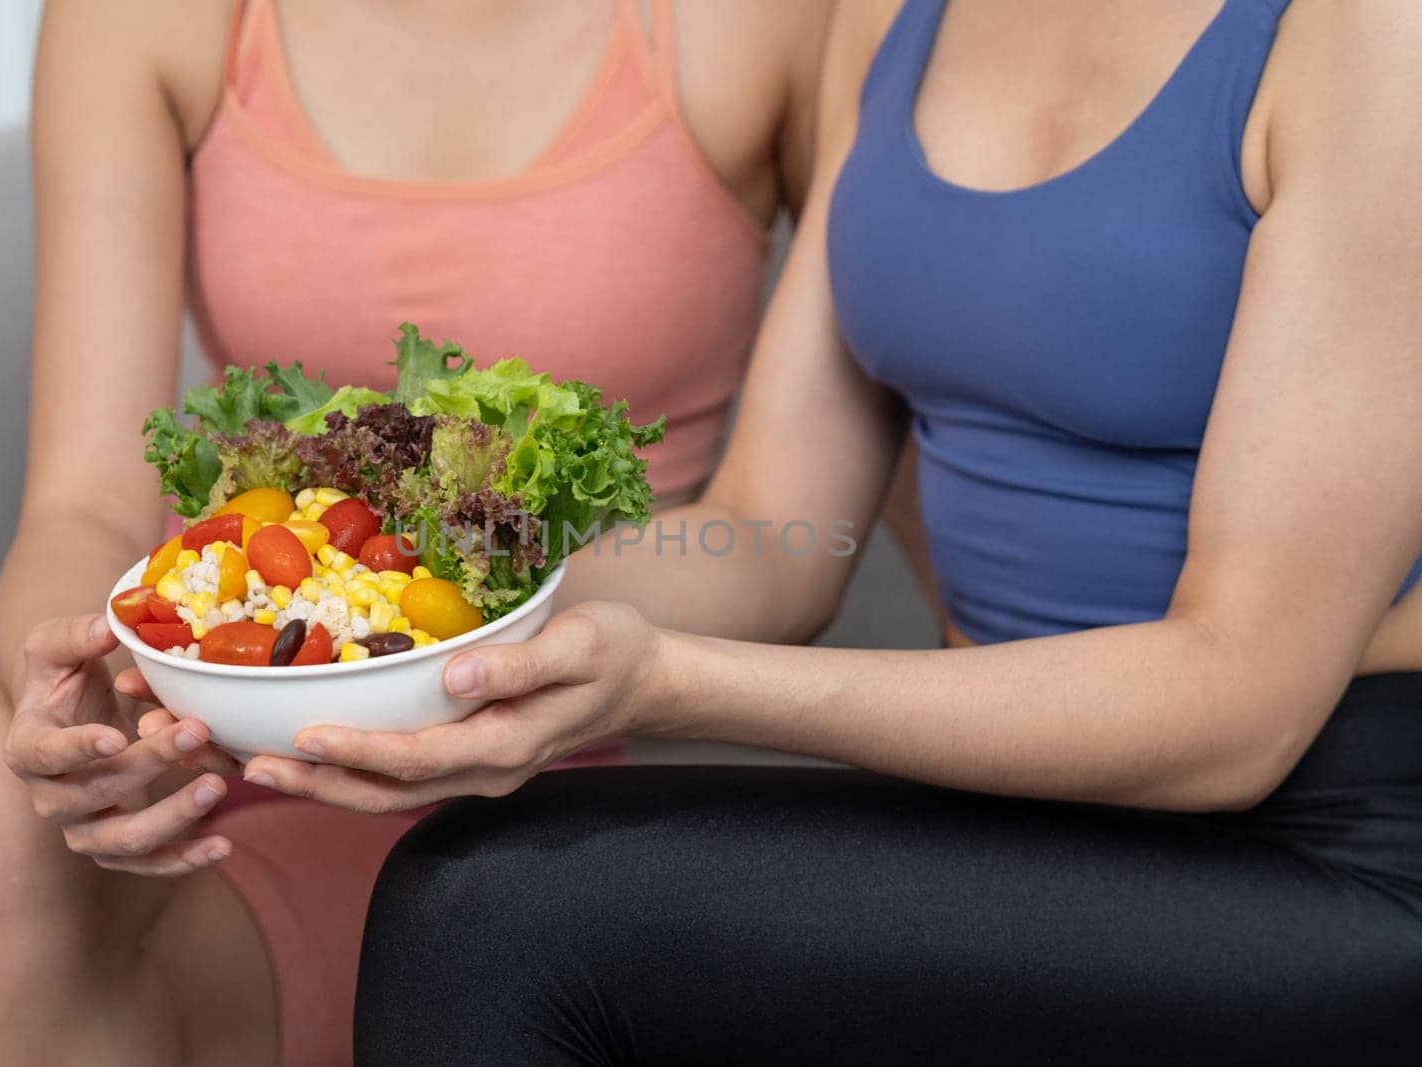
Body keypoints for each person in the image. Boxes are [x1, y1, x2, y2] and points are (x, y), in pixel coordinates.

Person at [228, 0, 1422, 1061]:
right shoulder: (892, 15)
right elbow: (771, 535)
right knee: (483, 881)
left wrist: (667, 684)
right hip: (1037, 806)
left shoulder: (1369, 35)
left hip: (1348, 828)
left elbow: (1240, 709)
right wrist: (368, 612)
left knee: (486, 908)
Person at [0, 1, 834, 1064]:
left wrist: (470, 612)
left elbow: (784, 541)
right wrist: (86, 694)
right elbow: (84, 502)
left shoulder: (764, 26)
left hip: (497, 731)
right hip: (201, 656)